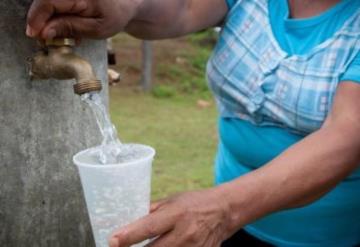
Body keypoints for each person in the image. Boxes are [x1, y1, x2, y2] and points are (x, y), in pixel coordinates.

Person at [26, 0, 360, 246]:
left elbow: (347, 134)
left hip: (329, 236)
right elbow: (182, 9)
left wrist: (223, 208)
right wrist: (125, 7)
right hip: (236, 224)